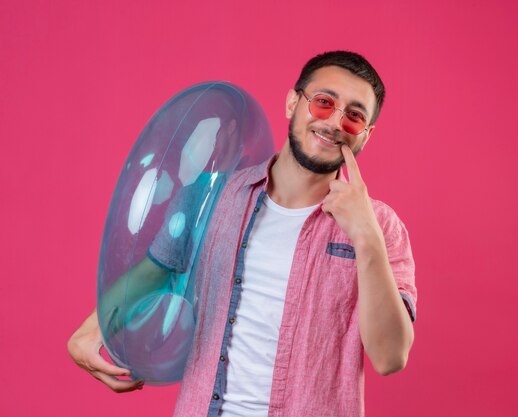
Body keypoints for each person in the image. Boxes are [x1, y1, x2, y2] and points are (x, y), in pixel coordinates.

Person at [68, 50, 417, 417]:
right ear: (292, 103)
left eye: (354, 116)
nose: (333, 122)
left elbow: (390, 356)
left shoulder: (382, 227)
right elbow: (156, 271)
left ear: (366, 135)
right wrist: (95, 329)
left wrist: (366, 237)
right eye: (324, 103)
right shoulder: (211, 195)